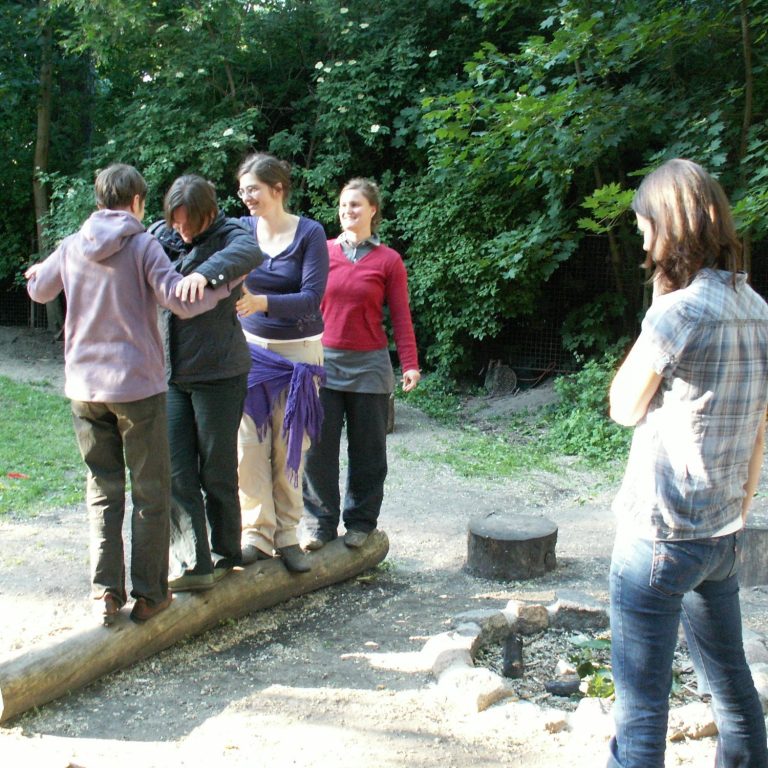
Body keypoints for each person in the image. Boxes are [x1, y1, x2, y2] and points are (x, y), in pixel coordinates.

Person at [607, 158, 768, 768]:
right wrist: (742, 505)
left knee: (642, 709)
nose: (642, 238)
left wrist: (658, 302)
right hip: (722, 536)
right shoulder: (758, 308)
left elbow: (623, 405)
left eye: (646, 225)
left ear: (670, 226)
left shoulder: (678, 313)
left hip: (658, 537)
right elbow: (758, 427)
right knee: (732, 690)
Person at [25, 164, 234, 625]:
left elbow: (40, 291)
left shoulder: (72, 245)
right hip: (137, 390)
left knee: (102, 490)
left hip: (84, 389)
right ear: (138, 202)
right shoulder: (143, 246)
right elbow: (180, 299)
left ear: (100, 201)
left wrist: (34, 272)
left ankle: (105, 593)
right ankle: (150, 595)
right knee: (150, 491)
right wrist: (223, 287)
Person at [149, 175, 263, 591]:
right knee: (178, 470)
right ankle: (193, 562)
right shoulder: (160, 234)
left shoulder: (231, 231)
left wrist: (207, 273)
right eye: (175, 222)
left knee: (216, 469)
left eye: (188, 223)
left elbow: (251, 250)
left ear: (208, 212)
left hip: (220, 374)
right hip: (172, 375)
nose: (181, 230)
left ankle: (227, 552)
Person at [302, 178, 420, 551]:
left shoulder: (389, 261)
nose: (347, 211)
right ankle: (320, 525)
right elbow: (302, 305)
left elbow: (401, 317)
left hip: (370, 367)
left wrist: (410, 364)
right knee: (317, 451)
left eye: (355, 205)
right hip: (322, 365)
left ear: (372, 210)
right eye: (342, 205)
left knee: (369, 453)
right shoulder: (320, 252)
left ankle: (361, 524)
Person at [235, 153, 328, 573]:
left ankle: (288, 534)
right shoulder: (239, 230)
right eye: (242, 190)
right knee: (249, 447)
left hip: (299, 356)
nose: (246, 196)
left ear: (278, 189)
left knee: (290, 446)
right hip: (251, 352)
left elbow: (311, 298)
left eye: (253, 188)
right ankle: (256, 533)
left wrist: (262, 302)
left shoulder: (310, 233)